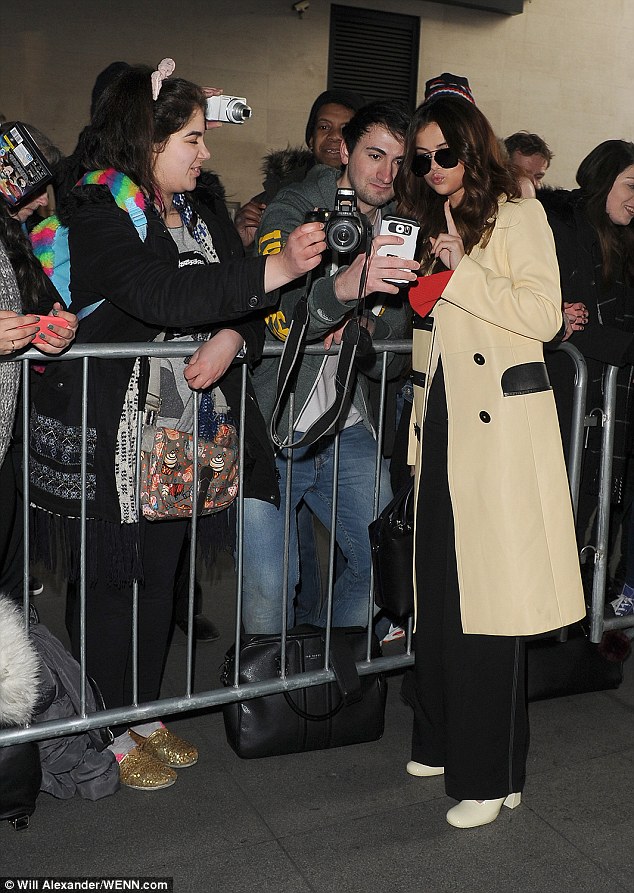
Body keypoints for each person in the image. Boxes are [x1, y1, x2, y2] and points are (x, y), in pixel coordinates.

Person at [27, 60, 326, 791]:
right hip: (111, 431)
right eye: (192, 138)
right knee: (109, 579)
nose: (206, 152)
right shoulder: (94, 211)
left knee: (161, 575)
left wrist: (234, 335)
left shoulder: (199, 209)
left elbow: (240, 309)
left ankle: (142, 706)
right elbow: (161, 291)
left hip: (181, 435)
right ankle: (104, 719)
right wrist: (272, 270)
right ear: (146, 138)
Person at [394, 90, 585, 828]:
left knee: (489, 609)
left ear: (474, 149)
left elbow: (541, 314)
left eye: (446, 154)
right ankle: (441, 738)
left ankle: (493, 772)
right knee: (439, 592)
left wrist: (463, 267)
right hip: (441, 425)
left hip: (500, 433)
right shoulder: (429, 220)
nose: (434, 167)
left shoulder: (521, 213)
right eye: (424, 157)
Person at [241, 99, 417, 634]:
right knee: (272, 587)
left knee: (388, 564)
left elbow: (399, 333)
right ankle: (267, 702)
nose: (386, 174)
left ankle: (323, 677)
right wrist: (339, 295)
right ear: (345, 151)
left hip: (347, 424)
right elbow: (277, 318)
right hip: (275, 426)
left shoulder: (399, 226)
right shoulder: (294, 207)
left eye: (399, 162)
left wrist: (366, 329)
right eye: (374, 155)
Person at [538, 141, 634, 578]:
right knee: (552, 511)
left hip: (607, 400)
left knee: (587, 513)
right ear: (602, 181)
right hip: (561, 395)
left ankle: (573, 610)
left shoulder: (623, 237)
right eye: (630, 186)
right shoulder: (558, 226)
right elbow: (569, 324)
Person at [0, 201, 77, 605]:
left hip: (10, 427)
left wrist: (55, 330)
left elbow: (40, 308)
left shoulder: (11, 235)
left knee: (10, 578)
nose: (43, 200)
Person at [233, 89, 365, 250]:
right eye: (324, 127)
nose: (335, 136)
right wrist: (239, 242)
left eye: (345, 129)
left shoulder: (376, 193)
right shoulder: (274, 197)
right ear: (311, 139)